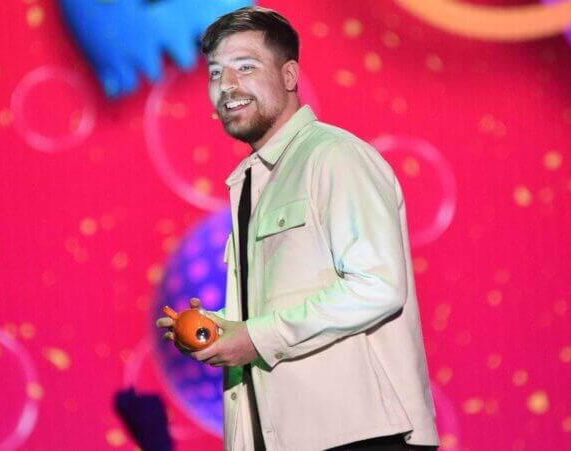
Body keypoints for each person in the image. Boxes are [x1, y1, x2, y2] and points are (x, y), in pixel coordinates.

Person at [156, 6, 439, 451]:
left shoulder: (334, 157)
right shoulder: (251, 182)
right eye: (215, 73)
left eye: (245, 67)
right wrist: (224, 331)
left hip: (363, 438)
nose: (227, 86)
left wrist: (257, 337)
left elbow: (378, 285)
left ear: (289, 75)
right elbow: (284, 307)